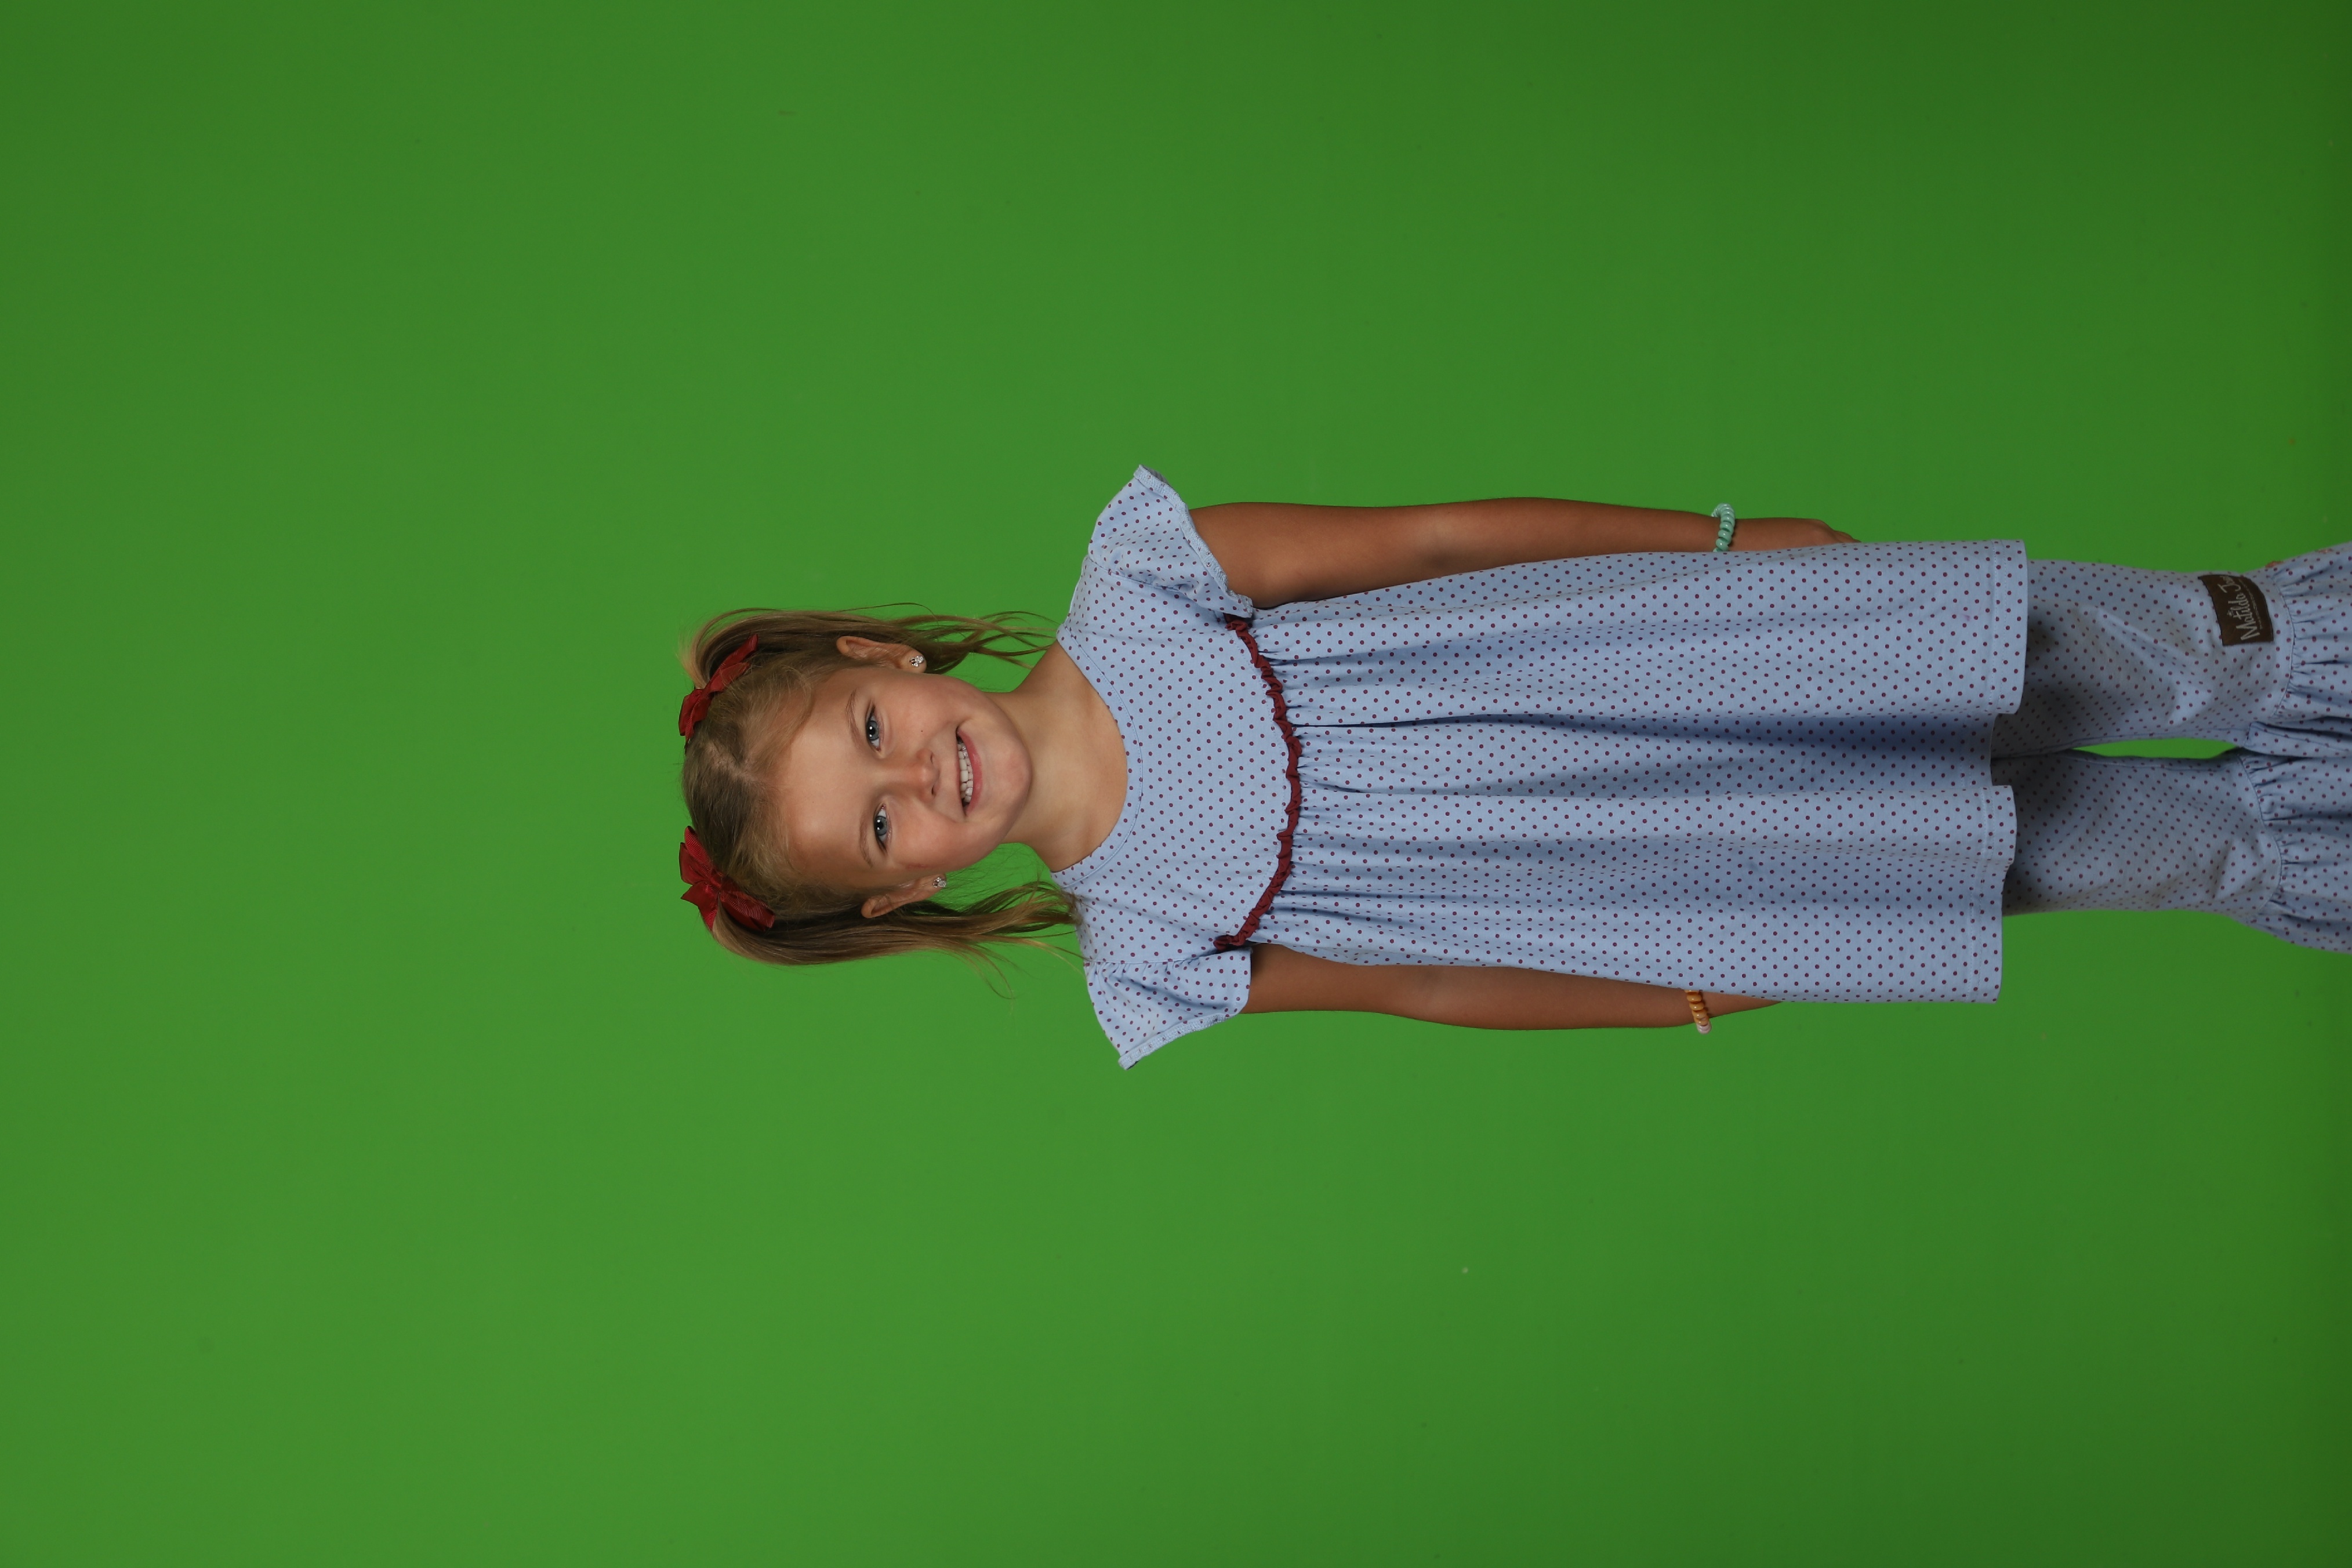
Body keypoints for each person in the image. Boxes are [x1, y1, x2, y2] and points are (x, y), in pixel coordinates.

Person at [674, 467, 2350, 1067]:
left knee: (2137, 650)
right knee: (2140, 848)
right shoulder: (1149, 957)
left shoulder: (1147, 578)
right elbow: (1422, 989)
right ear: (904, 890)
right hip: (1689, 868)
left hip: (1692, 654)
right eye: (879, 828)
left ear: (889, 661)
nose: (920, 782)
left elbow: (1436, 537)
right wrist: (1684, 996)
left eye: (873, 734)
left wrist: (1720, 543)